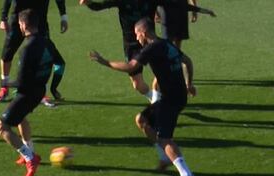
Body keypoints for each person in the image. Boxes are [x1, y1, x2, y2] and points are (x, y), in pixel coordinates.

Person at [89, 18, 197, 176]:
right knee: (142, 120)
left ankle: (186, 174)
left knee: (164, 138)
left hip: (171, 99)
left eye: (137, 34)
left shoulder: (151, 48)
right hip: (176, 96)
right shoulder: (166, 44)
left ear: (144, 33)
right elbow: (188, 61)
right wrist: (189, 84)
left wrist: (106, 62)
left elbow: (131, 66)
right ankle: (165, 157)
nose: (137, 37)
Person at [79, 0, 215, 103]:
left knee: (164, 71)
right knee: (137, 85)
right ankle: (155, 99)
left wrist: (201, 10)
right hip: (131, 44)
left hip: (150, 42)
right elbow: (99, 6)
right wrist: (88, 2)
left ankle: (162, 103)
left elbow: (177, 5)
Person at [0, 9, 64, 176]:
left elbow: (21, 82)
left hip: (27, 94)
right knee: (20, 117)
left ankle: (30, 157)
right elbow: (61, 65)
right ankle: (29, 150)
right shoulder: (48, 43)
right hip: (39, 92)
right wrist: (54, 88)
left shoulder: (26, 49)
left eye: (19, 24)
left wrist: (5, 83)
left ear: (24, 25)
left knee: (1, 127)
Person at [0, 0, 68, 106]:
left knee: (43, 54)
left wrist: (63, 16)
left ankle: (41, 92)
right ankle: (4, 88)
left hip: (39, 19)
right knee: (7, 53)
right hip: (19, 18)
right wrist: (4, 17)